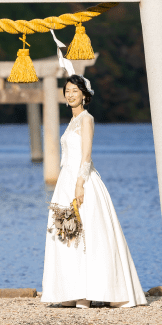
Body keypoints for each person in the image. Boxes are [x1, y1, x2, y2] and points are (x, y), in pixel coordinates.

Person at [41, 74, 147, 308]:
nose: (70, 94)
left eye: (75, 91)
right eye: (67, 90)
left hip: (82, 180)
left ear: (84, 95)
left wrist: (79, 184)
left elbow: (86, 154)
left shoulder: (86, 119)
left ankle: (85, 296)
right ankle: (70, 291)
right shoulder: (72, 121)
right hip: (66, 179)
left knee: (86, 235)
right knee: (67, 235)